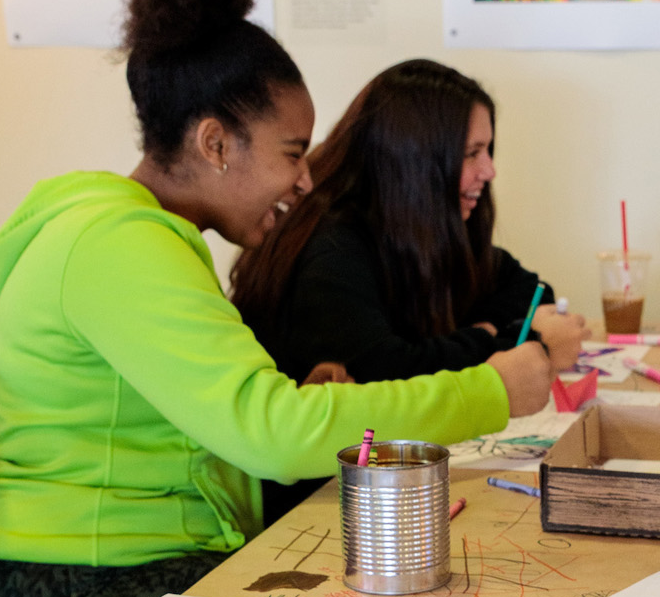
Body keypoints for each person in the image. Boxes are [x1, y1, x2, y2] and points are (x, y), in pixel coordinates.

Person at [0, 0, 569, 597]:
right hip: (78, 590)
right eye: (292, 154)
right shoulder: (117, 243)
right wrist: (490, 390)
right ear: (216, 143)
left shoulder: (136, 236)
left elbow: (223, 427)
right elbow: (271, 434)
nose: (306, 180)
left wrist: (301, 401)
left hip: (118, 566)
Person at [228, 59, 589, 521]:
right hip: (306, 510)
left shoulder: (418, 230)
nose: (490, 170)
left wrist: (488, 328)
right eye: (472, 153)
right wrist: (509, 341)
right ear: (415, 160)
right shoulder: (331, 247)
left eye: (488, 149)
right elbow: (388, 378)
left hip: (379, 493)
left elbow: (528, 289)